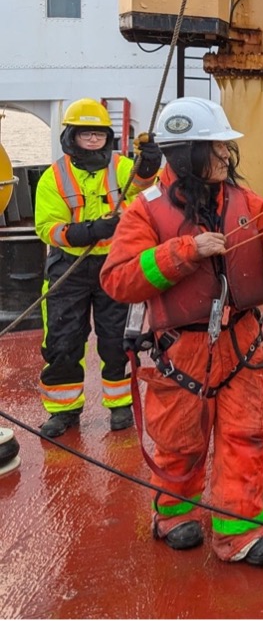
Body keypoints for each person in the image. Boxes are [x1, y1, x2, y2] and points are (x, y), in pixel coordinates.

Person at [100, 97, 263, 567]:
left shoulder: (248, 203)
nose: (227, 156)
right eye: (217, 147)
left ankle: (239, 534)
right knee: (180, 442)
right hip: (180, 350)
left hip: (241, 345)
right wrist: (185, 252)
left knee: (245, 436)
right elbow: (117, 277)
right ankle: (173, 516)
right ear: (185, 155)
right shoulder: (144, 211)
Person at [34, 98, 162, 438]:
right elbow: (49, 229)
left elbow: (146, 185)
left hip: (115, 265)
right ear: (71, 137)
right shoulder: (53, 178)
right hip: (69, 269)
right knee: (63, 340)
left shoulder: (121, 166)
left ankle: (120, 406)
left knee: (116, 339)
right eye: (86, 135)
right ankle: (63, 411)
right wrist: (92, 230)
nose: (93, 141)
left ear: (108, 137)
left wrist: (149, 163)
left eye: (99, 135)